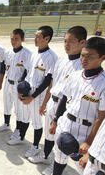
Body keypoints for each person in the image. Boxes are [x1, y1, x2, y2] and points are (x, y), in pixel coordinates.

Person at [36, 37, 105, 175]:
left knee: (85, 168)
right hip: (67, 122)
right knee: (59, 152)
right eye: (82, 55)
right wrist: (56, 121)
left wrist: (90, 142)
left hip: (86, 129)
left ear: (103, 57)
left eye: (90, 56)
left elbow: (103, 116)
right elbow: (64, 100)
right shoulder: (76, 75)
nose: (84, 59)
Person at [29, 26, 86, 166]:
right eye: (65, 41)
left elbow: (71, 95)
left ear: (82, 42)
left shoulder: (81, 66)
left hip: (65, 106)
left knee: (61, 139)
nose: (67, 45)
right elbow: (52, 84)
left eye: (71, 41)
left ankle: (57, 171)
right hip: (52, 102)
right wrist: (44, 104)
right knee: (49, 135)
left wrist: (57, 118)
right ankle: (45, 155)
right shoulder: (61, 60)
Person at [17, 26, 58, 160]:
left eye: (38, 37)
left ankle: (35, 146)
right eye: (35, 36)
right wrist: (20, 87)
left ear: (47, 38)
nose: (35, 39)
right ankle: (20, 136)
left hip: (37, 93)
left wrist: (32, 97)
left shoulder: (51, 57)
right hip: (27, 89)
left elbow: (47, 81)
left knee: (36, 121)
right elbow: (26, 71)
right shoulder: (34, 53)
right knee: (24, 115)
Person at [1, 29, 33, 139]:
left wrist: (21, 87)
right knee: (6, 104)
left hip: (18, 85)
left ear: (22, 39)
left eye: (16, 39)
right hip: (7, 82)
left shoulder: (27, 54)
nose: (13, 41)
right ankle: (6, 123)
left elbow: (27, 71)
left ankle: (18, 129)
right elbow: (5, 66)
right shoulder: (8, 52)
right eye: (12, 39)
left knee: (18, 109)